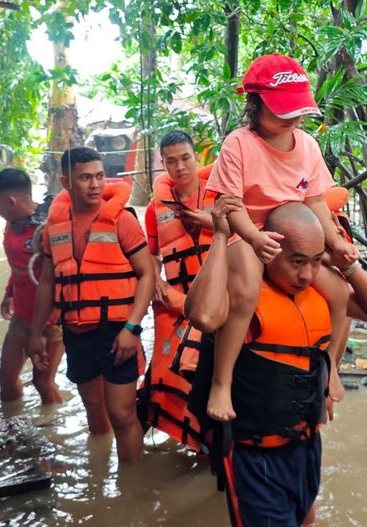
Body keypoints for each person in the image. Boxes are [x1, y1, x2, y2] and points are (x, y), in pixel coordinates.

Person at [185, 197, 367, 527]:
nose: (306, 274)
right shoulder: (243, 295)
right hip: (255, 453)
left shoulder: (321, 292)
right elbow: (203, 315)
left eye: (313, 261)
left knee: (306, 519)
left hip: (307, 445)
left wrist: (345, 263)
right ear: (270, 251)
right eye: (296, 261)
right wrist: (222, 237)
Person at [204, 53, 360, 423]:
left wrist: (335, 241)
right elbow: (232, 205)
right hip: (251, 232)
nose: (291, 119)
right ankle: (221, 382)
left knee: (339, 293)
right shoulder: (238, 144)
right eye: (281, 111)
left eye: (296, 111)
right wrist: (255, 241)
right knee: (244, 295)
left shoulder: (307, 145)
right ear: (254, 105)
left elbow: (317, 202)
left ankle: (331, 368)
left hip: (296, 239)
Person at [28, 147, 156, 463]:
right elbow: (47, 282)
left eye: (99, 176)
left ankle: (132, 492)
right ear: (66, 182)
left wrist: (132, 327)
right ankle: (97, 480)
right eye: (85, 178)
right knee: (93, 408)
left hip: (118, 331)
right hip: (77, 330)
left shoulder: (122, 221)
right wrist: (36, 334)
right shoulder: (54, 229)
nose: (95, 185)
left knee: (122, 413)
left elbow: (147, 274)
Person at [139, 131, 216, 451]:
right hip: (178, 304)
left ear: (196, 156)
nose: (180, 166)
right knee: (173, 378)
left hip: (216, 304)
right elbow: (153, 255)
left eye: (185, 158)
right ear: (163, 164)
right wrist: (155, 276)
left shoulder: (219, 195)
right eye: (171, 161)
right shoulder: (155, 210)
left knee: (213, 379)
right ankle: (191, 440)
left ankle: (212, 447)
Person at [0, 168, 63, 405]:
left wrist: (41, 331)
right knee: (5, 379)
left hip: (50, 323)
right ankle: (13, 424)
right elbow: (19, 266)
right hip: (21, 317)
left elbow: (59, 281)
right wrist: (9, 293)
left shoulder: (48, 228)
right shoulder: (12, 223)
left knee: (42, 382)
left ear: (10, 201)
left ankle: (53, 434)